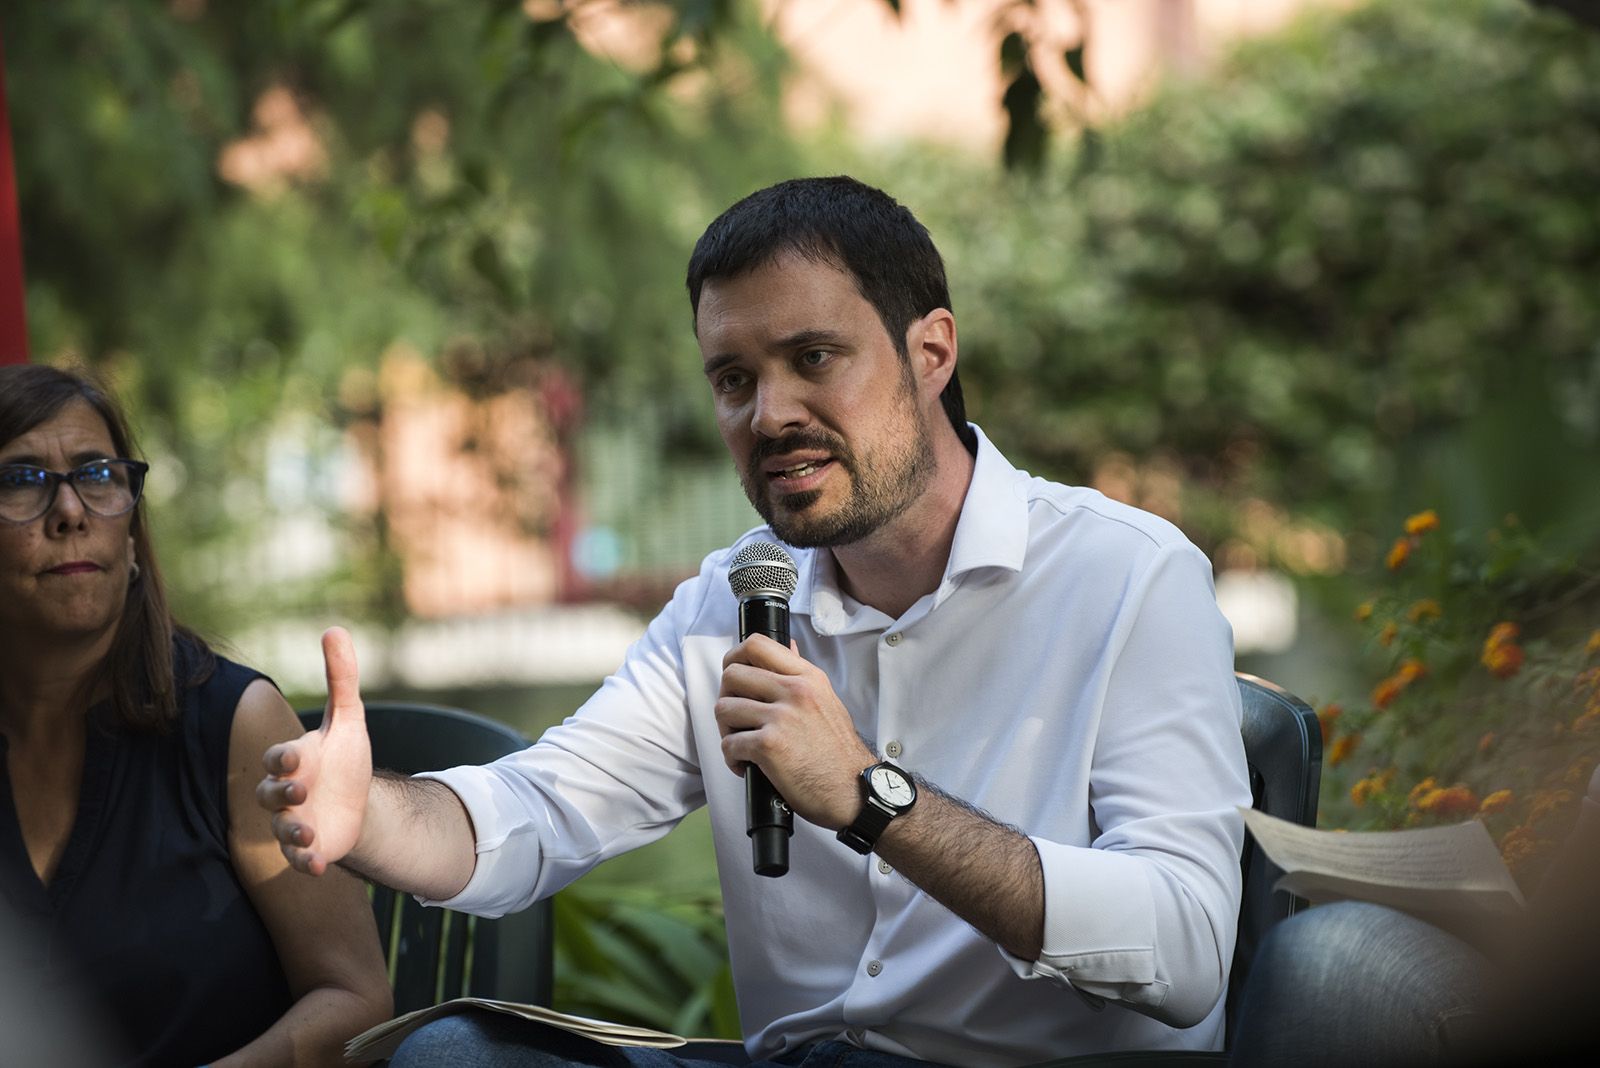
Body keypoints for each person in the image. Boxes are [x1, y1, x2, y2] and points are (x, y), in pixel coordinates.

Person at [259, 177, 1253, 1067]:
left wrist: (870, 798)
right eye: (733, 379)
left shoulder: (1128, 576)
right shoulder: (732, 601)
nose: (769, 415)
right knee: (455, 1057)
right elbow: (541, 808)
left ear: (931, 352)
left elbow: (1186, 949)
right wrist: (366, 813)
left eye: (813, 358)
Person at [0, 364, 393, 1067]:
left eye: (98, 475)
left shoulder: (238, 725)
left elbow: (355, 1000)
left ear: (131, 535)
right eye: (21, 480)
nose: (69, 511)